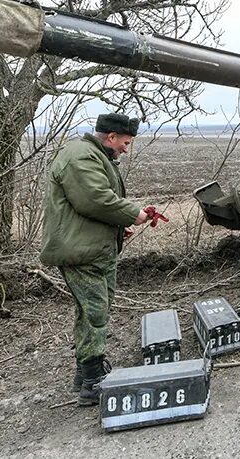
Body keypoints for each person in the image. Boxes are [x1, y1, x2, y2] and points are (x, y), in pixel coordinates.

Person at [39, 113, 150, 405]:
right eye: (126, 142)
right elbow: (95, 199)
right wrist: (131, 213)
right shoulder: (81, 157)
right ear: (111, 137)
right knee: (95, 312)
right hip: (82, 252)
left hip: (91, 248)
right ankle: (93, 383)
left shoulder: (91, 154)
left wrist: (117, 226)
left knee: (91, 311)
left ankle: (85, 374)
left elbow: (90, 208)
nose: (127, 148)